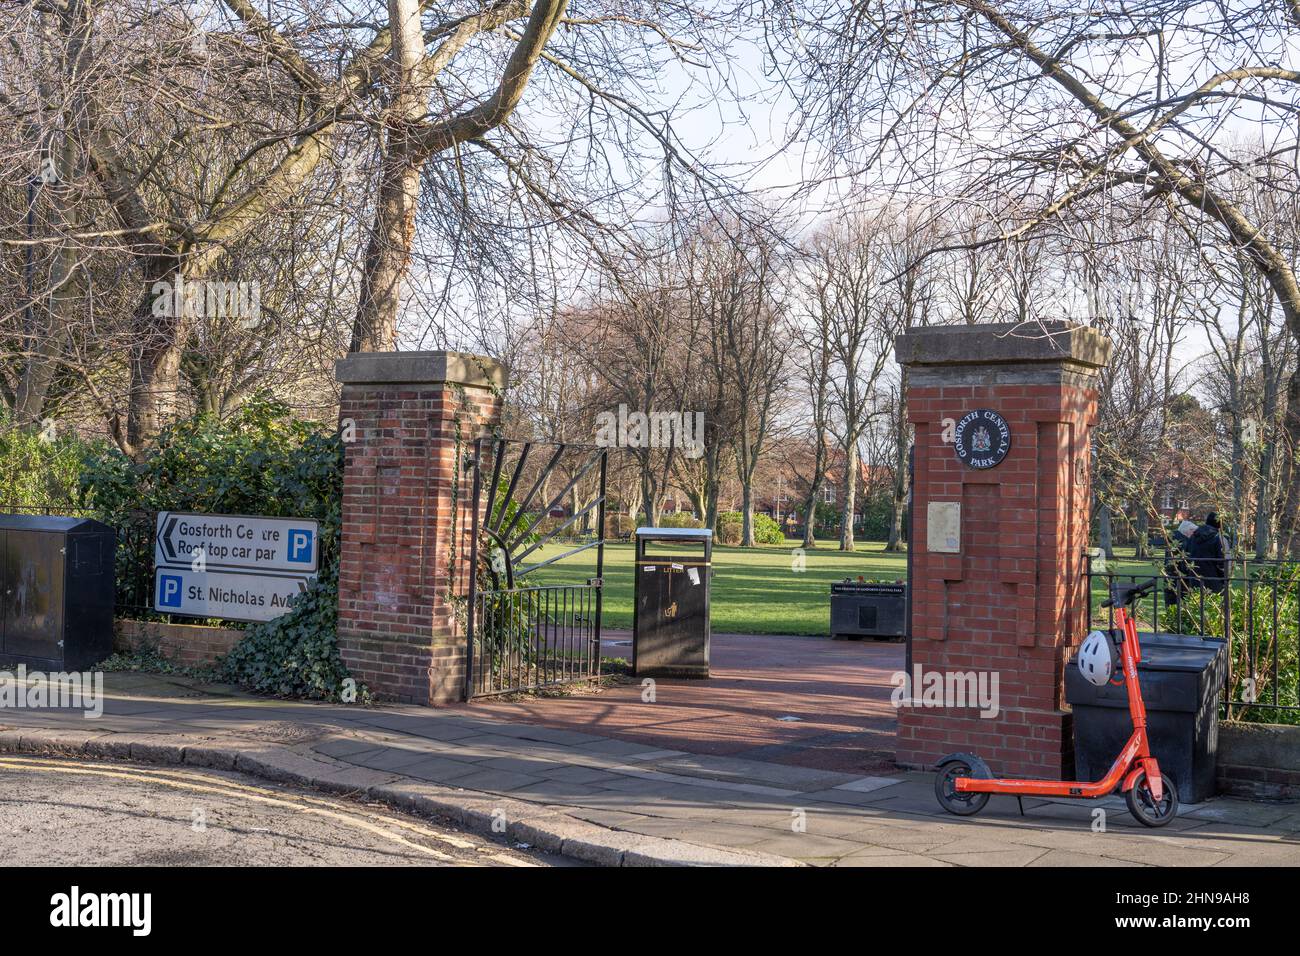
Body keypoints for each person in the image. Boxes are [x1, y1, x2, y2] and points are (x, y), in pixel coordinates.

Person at [1185, 512, 1229, 593]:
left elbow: (1186, 556)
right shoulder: (1219, 539)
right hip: (1214, 581)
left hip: (1194, 579)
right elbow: (1222, 563)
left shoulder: (1193, 537)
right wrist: (1224, 579)